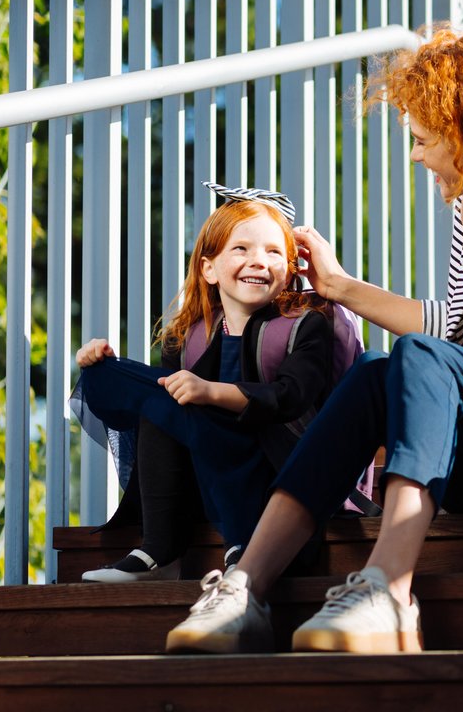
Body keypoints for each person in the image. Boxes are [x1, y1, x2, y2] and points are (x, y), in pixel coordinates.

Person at [164, 28, 463, 655]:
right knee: (374, 371)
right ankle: (244, 590)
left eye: (424, 140)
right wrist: (340, 286)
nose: (417, 157)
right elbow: (450, 327)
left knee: (413, 361)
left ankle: (389, 590)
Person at [72, 183, 346, 582]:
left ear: (289, 271)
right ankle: (158, 549)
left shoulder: (305, 325)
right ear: (209, 268)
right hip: (200, 480)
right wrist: (100, 362)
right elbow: (126, 411)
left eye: (274, 252)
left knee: (171, 400)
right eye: (242, 249)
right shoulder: (185, 338)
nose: (259, 261)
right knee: (141, 391)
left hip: (278, 473)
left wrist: (209, 392)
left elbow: (290, 398)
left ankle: (234, 545)